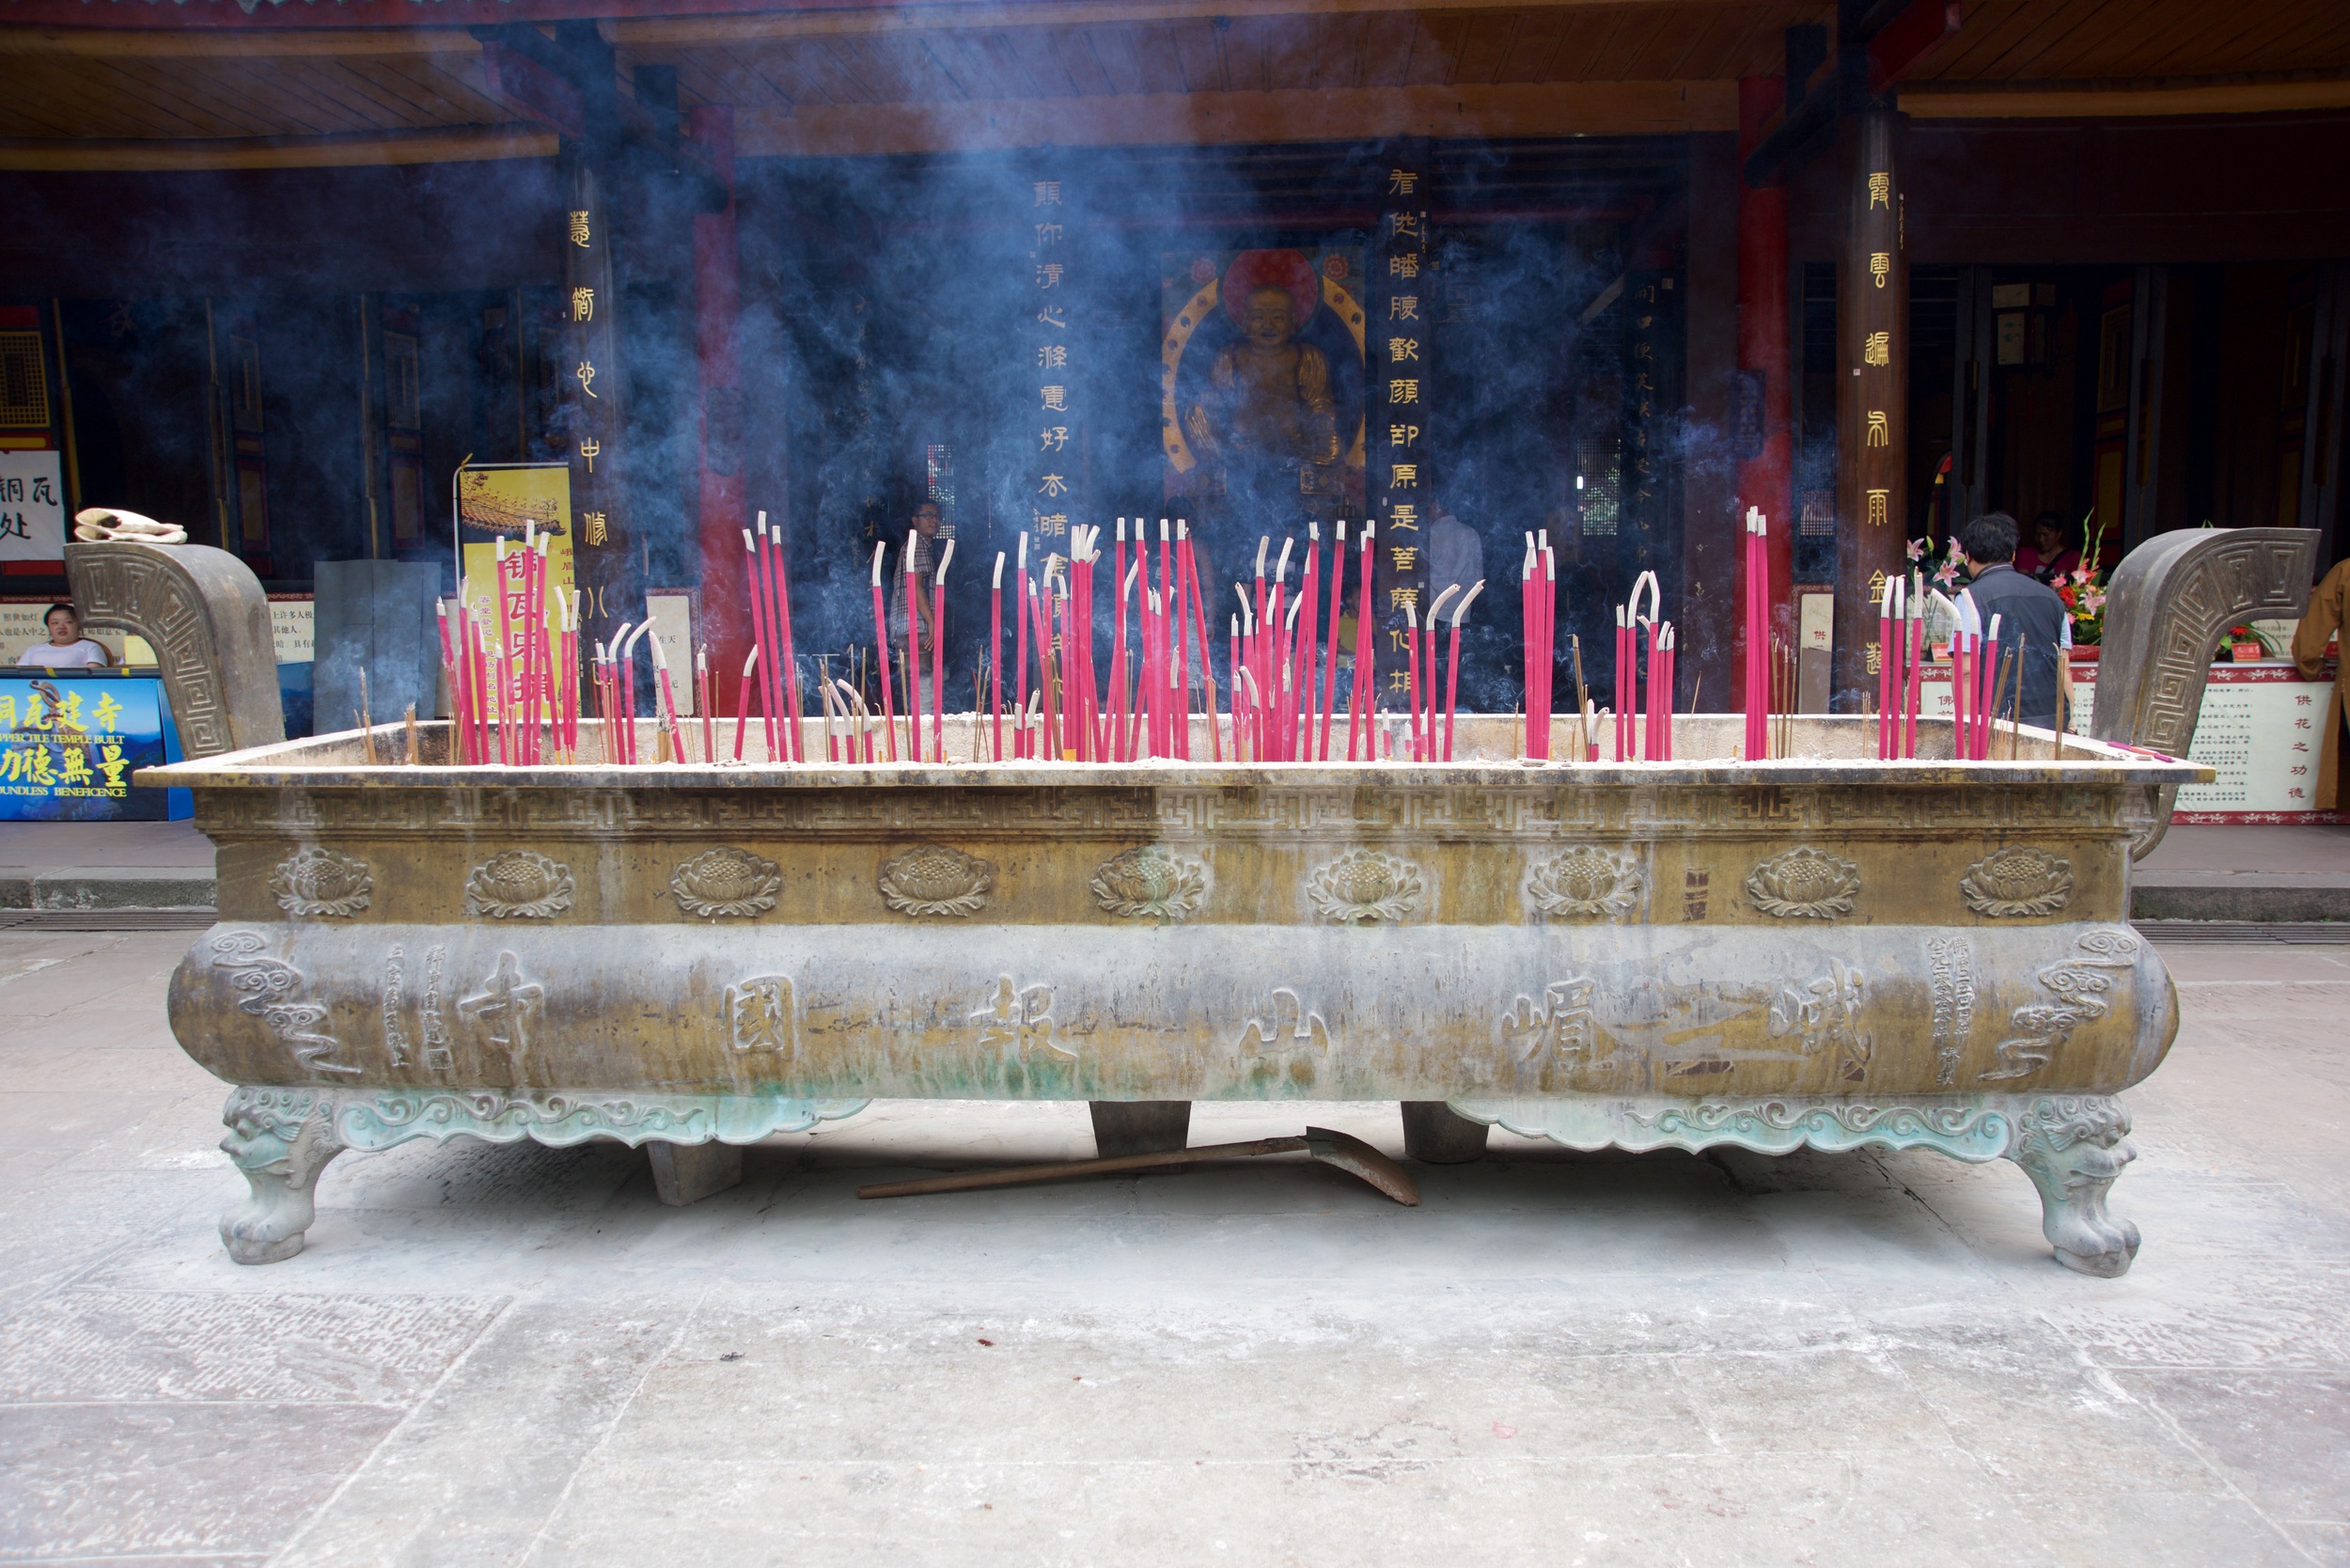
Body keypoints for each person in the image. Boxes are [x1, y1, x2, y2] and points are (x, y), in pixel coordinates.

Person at [1956, 511, 2069, 729]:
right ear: (2014, 555)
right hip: (2053, 722)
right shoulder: (2052, 597)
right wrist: (2070, 723)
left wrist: (1967, 728)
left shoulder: (1970, 598)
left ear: (1967, 556)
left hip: (1998, 722)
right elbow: (2064, 667)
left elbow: (1967, 671)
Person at [888, 499, 947, 706]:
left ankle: (916, 726)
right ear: (915, 520)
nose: (934, 520)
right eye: (928, 515)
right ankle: (924, 727)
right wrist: (932, 622)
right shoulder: (918, 544)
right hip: (917, 625)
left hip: (905, 627)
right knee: (923, 684)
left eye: (937, 516)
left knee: (912, 684)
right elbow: (916, 586)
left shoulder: (915, 545)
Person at [1426, 501, 1484, 622]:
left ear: (1437, 507)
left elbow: (1423, 569)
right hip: (1462, 607)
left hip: (1435, 609)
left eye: (1431, 507)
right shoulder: (1471, 533)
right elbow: (1478, 576)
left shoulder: (1431, 533)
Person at [15, 604, 113, 669]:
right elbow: (19, 674)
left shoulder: (91, 647)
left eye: (68, 622)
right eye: (55, 623)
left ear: (79, 625)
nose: (61, 627)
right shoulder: (34, 649)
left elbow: (94, 676)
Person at [2013, 510, 2083, 584]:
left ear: (2059, 533)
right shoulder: (2025, 553)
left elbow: (2072, 585)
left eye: (2045, 535)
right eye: (2037, 535)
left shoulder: (2072, 557)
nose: (2041, 540)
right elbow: (2024, 582)